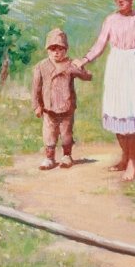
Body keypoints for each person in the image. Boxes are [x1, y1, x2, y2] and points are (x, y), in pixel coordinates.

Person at [76, 0, 135, 182]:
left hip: (132, 68)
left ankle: (132, 162)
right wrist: (84, 60)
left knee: (131, 115)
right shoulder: (110, 20)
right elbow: (100, 44)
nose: (121, 0)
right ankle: (124, 157)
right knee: (118, 116)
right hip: (115, 69)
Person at [31, 27, 93, 170]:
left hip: (66, 107)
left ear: (65, 50)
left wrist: (81, 66)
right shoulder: (41, 66)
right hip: (48, 108)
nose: (57, 52)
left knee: (66, 133)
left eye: (60, 49)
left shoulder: (70, 65)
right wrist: (36, 106)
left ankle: (67, 155)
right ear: (47, 50)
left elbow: (88, 77)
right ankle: (49, 158)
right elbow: (36, 88)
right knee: (49, 134)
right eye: (53, 49)